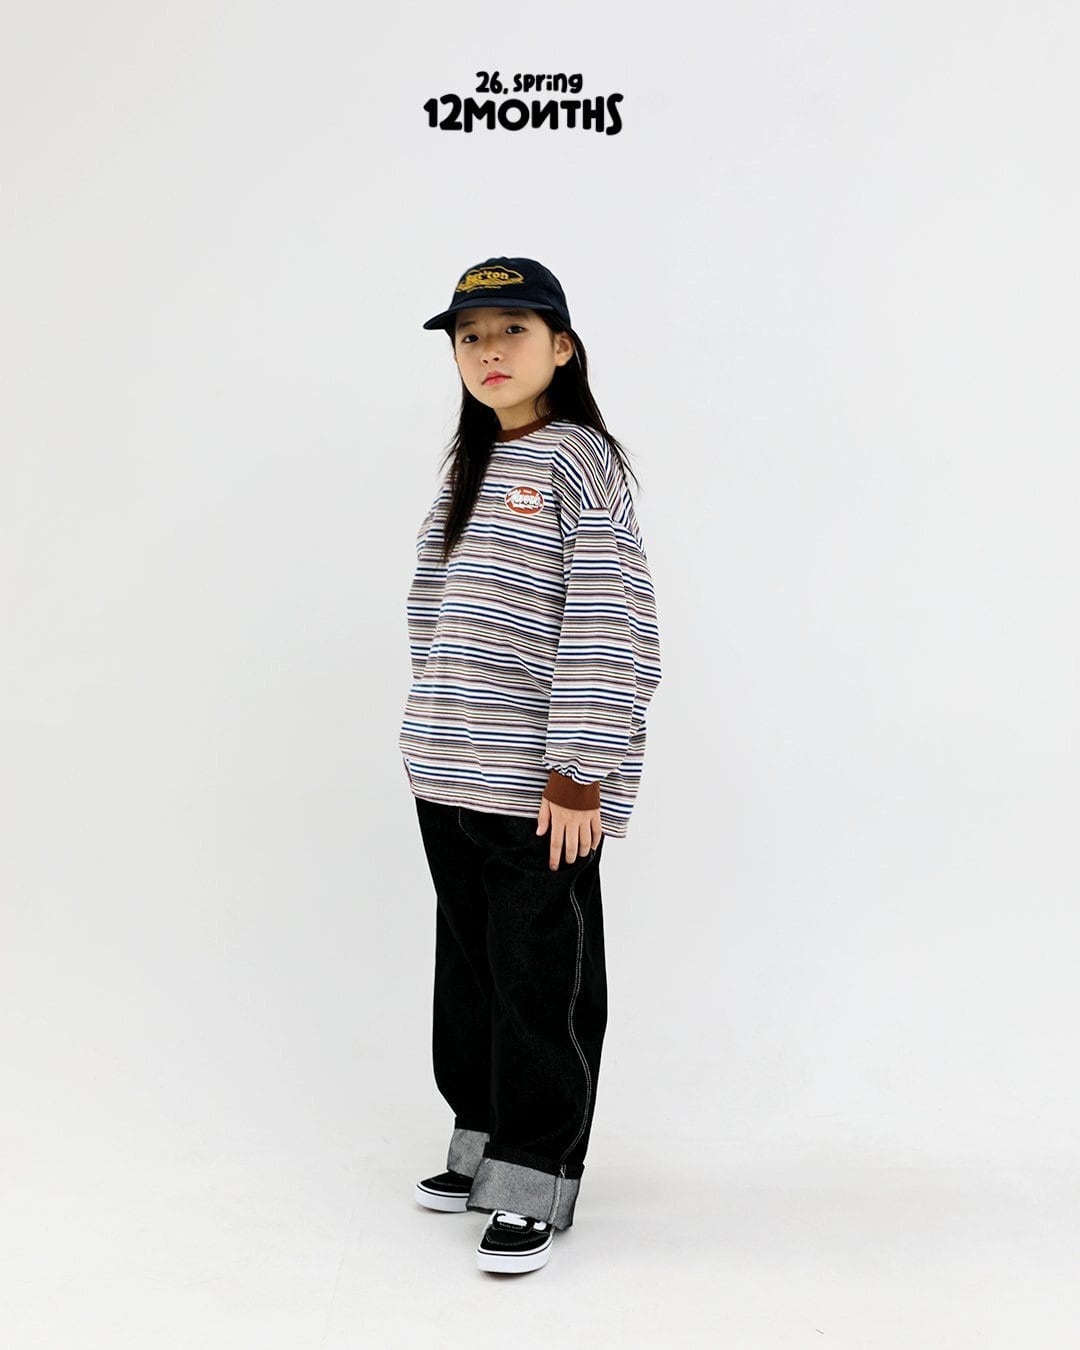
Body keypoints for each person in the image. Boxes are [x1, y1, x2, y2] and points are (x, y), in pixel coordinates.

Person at [399, 256, 663, 1274]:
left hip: (537, 784)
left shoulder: (578, 461)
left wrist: (580, 768)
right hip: (448, 768)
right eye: (469, 337)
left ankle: (534, 1173)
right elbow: (432, 614)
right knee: (470, 973)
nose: (488, 352)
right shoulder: (467, 468)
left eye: (512, 330)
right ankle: (480, 1140)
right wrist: (427, 727)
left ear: (562, 346)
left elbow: (609, 621)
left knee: (539, 975)